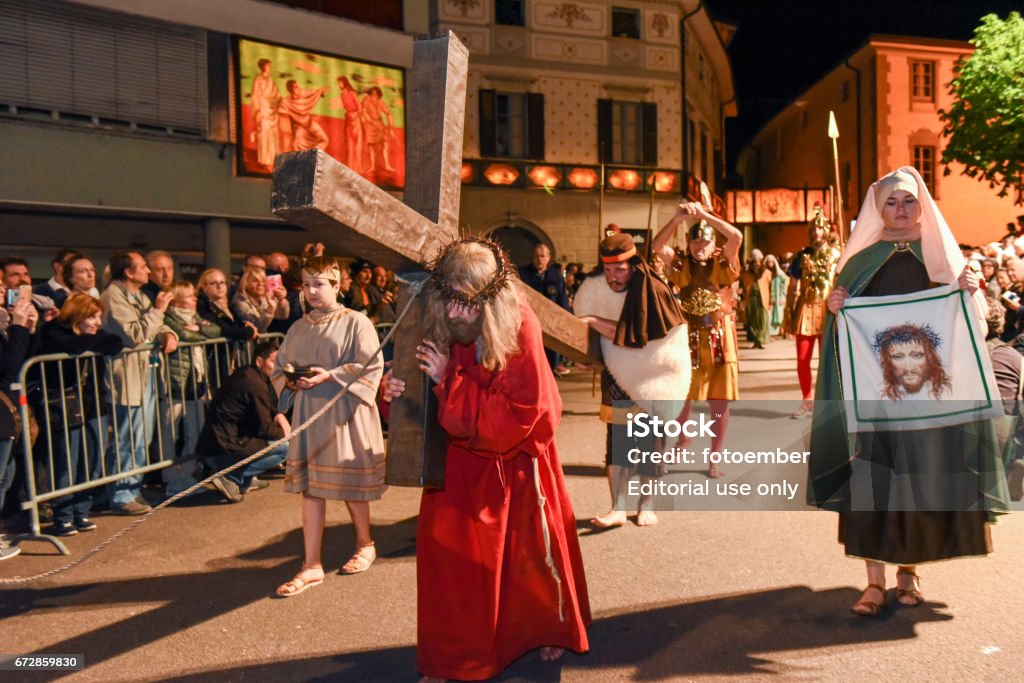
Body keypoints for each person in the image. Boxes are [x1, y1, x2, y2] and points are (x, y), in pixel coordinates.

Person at [381, 237, 590, 681]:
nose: (455, 314)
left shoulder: (520, 327)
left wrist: (449, 381)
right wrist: (395, 394)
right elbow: (418, 396)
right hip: (455, 467)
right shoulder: (440, 314)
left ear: (490, 300)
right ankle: (453, 658)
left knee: (527, 561)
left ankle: (544, 630)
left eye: (466, 303)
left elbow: (523, 416)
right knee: (451, 566)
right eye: (449, 300)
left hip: (513, 466)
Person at [808, 166, 1010, 616]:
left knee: (916, 482)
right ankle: (874, 582)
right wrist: (836, 307)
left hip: (926, 401)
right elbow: (844, 331)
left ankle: (909, 573)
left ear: (922, 203)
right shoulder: (859, 260)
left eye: (908, 200)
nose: (900, 210)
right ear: (878, 210)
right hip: (875, 399)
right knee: (873, 480)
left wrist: (967, 291)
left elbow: (970, 326)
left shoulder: (940, 253)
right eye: (891, 203)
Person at [272, 256, 386, 597]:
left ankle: (365, 543)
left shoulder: (356, 321)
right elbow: (280, 366)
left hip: (345, 411)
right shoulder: (298, 326)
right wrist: (291, 381)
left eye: (319, 284)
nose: (311, 291)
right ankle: (311, 564)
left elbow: (371, 364)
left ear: (338, 286)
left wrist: (331, 375)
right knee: (311, 488)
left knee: (349, 485)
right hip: (310, 412)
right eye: (306, 284)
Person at [574, 230, 690, 527]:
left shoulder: (652, 288)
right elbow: (600, 337)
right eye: (608, 269)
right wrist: (592, 358)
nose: (614, 276)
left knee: (652, 443)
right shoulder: (598, 288)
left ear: (633, 264)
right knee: (617, 443)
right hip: (617, 375)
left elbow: (631, 334)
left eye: (620, 270)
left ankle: (647, 504)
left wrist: (591, 321)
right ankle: (617, 507)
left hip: (652, 375)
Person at [652, 202, 744, 478]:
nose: (699, 246)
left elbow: (736, 237)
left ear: (712, 242)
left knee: (719, 401)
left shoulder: (723, 263)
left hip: (718, 337)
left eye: (704, 241)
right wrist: (677, 219)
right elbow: (657, 247)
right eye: (695, 241)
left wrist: (705, 215)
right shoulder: (682, 264)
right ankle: (683, 437)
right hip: (688, 336)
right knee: (682, 396)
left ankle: (714, 457)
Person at [37, 293, 124, 535]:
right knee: (67, 462)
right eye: (92, 316)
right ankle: (63, 516)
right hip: (64, 407)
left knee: (92, 462)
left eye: (99, 317)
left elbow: (115, 343)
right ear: (77, 315)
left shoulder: (91, 335)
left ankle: (81, 513)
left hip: (93, 405)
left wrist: (88, 339)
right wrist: (89, 340)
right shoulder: (53, 332)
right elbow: (72, 347)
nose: (98, 322)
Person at [100, 251, 178, 515]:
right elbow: (135, 334)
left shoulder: (142, 297)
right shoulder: (112, 297)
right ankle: (122, 494)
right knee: (127, 437)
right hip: (127, 376)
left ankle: (133, 487)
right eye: (143, 266)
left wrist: (168, 333)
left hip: (147, 372)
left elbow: (156, 328)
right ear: (129, 273)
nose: (149, 271)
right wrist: (158, 310)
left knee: (141, 436)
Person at [195, 339, 289, 502]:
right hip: (224, 446)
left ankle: (245, 479)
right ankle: (232, 477)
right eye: (273, 362)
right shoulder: (254, 384)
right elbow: (265, 428)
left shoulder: (249, 374)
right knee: (285, 447)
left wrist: (278, 415)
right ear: (260, 361)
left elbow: (266, 409)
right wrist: (289, 434)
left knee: (279, 440)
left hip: (222, 441)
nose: (277, 367)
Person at [159, 281, 221, 497]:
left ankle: (187, 476)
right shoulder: (169, 319)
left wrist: (200, 329)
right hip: (175, 385)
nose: (195, 299)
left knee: (194, 432)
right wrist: (199, 333)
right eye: (189, 296)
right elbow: (184, 336)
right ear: (176, 299)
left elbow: (215, 330)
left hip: (196, 383)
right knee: (171, 434)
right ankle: (171, 480)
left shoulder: (196, 319)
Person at [787, 205, 840, 417]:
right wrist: (789, 315)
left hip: (829, 310)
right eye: (814, 229)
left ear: (826, 230)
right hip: (806, 310)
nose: (817, 232)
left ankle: (829, 401)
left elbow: (843, 282)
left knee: (829, 358)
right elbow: (792, 286)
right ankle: (807, 400)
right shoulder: (802, 256)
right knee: (803, 358)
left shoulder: (837, 255)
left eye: (820, 228)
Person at [0, 281, 39, 560]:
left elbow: (27, 360)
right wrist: (18, 327)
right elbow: (8, 366)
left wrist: (29, 329)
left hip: (7, 412)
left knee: (6, 477)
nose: (3, 289)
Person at [197, 268, 258, 383]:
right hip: (216, 359)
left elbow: (237, 325)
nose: (219, 286)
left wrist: (245, 326)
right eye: (213, 283)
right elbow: (223, 329)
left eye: (222, 283)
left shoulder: (228, 306)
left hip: (233, 358)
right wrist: (248, 331)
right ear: (204, 287)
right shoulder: (203, 307)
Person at [519, 243, 571, 376]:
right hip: (529, 322)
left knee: (550, 358)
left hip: (550, 324)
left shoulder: (556, 276)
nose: (539, 259)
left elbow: (562, 298)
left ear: (548, 258)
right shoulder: (523, 273)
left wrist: (567, 319)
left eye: (542, 256)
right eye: (537, 256)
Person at [874, 324, 952, 400]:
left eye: (916, 355)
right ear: (888, 362)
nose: (909, 368)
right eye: (898, 357)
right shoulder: (879, 394)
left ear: (930, 359)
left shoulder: (947, 392)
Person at [231, 269, 289, 333]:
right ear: (246, 283)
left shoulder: (264, 297)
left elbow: (282, 316)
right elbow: (257, 327)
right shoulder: (240, 301)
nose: (260, 284)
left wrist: (281, 300)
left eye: (263, 281)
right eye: (255, 281)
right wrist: (269, 311)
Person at [278, 80, 329, 152]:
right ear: (291, 90)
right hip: (299, 127)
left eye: (298, 86)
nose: (299, 88)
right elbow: (282, 115)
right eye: (296, 87)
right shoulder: (286, 102)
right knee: (296, 144)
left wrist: (321, 91)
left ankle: (313, 155)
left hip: (310, 123)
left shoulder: (302, 94)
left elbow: (312, 93)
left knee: (325, 140)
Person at [250, 58, 281, 170]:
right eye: (268, 66)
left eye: (270, 66)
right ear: (263, 67)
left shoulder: (271, 81)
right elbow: (255, 96)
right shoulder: (258, 79)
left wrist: (275, 100)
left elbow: (277, 95)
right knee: (264, 135)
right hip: (263, 110)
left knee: (273, 135)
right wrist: (258, 111)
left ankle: (273, 160)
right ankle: (264, 160)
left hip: (272, 110)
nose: (270, 68)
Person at [360, 86, 395, 175]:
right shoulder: (366, 100)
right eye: (373, 93)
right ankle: (372, 167)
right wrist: (370, 121)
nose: (374, 96)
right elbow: (363, 112)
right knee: (371, 146)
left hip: (379, 124)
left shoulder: (380, 102)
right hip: (370, 125)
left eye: (376, 94)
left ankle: (387, 165)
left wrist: (391, 128)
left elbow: (388, 113)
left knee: (385, 144)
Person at [741, 249, 770, 348]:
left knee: (762, 321)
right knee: (752, 321)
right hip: (751, 300)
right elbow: (742, 286)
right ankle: (755, 341)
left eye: (758, 261)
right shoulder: (746, 274)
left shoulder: (766, 272)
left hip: (763, 300)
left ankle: (761, 341)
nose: (757, 263)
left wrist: (772, 299)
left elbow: (770, 286)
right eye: (755, 261)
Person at [337, 76, 364, 173]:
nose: (339, 85)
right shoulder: (342, 95)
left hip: (355, 118)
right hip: (348, 118)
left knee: (357, 143)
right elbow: (345, 107)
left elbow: (359, 106)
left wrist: (357, 117)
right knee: (349, 143)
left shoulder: (352, 93)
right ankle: (350, 167)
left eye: (340, 83)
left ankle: (359, 168)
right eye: (338, 83)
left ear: (344, 83)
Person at [764, 254, 788, 337]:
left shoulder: (779, 273)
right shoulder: (765, 272)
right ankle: (769, 333)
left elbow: (784, 284)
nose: (770, 264)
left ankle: (777, 332)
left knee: (777, 314)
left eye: (772, 262)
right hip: (767, 297)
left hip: (777, 297)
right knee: (769, 315)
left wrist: (782, 297)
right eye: (768, 262)